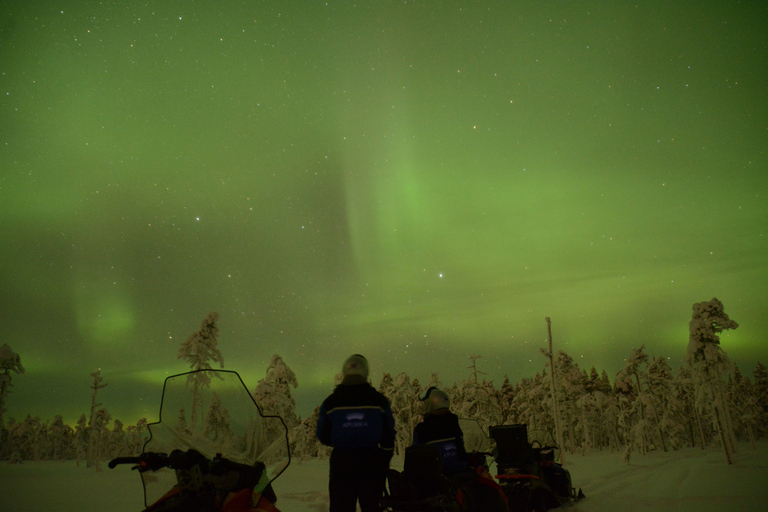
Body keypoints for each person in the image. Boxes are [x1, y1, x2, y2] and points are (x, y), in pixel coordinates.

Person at [316, 354, 396, 512]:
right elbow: (388, 435)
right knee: (372, 506)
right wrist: (384, 458)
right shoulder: (379, 401)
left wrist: (341, 442)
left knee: (341, 507)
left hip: (342, 462)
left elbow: (322, 434)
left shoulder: (331, 402)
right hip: (371, 461)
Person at [412, 387, 468, 475]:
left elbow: (414, 456)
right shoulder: (455, 424)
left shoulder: (422, 429)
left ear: (430, 404)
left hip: (435, 478)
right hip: (460, 474)